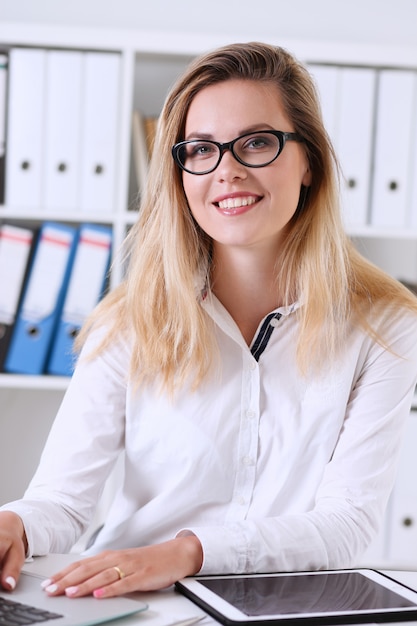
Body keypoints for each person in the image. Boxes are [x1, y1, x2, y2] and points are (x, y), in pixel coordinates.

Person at [1, 41, 417, 600]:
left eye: (257, 142)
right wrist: (18, 525)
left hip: (285, 607)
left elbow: (346, 525)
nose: (228, 171)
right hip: (132, 604)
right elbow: (64, 501)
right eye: (201, 150)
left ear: (309, 162)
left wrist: (187, 553)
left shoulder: (385, 326)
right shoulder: (129, 320)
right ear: (180, 172)